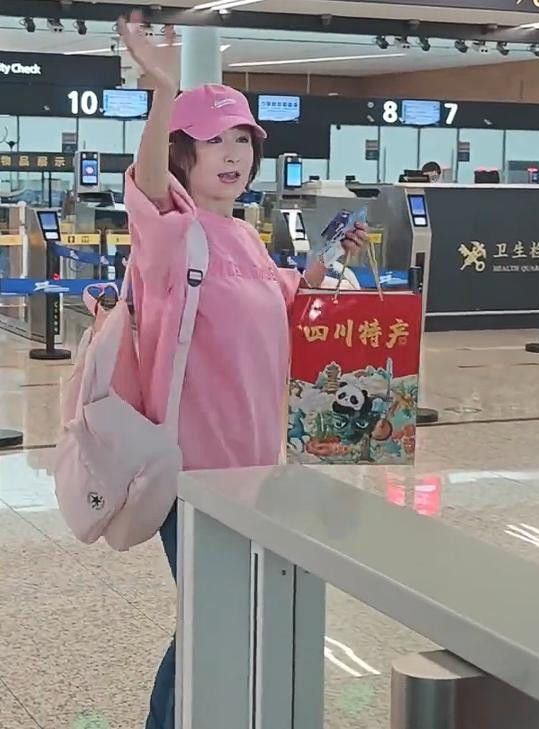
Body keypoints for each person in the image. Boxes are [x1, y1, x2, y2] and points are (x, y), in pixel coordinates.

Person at [117, 13, 368, 729]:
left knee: (225, 610)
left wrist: (320, 266)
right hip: (194, 468)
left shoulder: (243, 235)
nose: (232, 156)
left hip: (255, 463)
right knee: (212, 613)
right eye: (212, 142)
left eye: (242, 141)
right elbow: (148, 183)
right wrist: (163, 91)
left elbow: (279, 306)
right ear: (181, 154)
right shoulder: (171, 231)